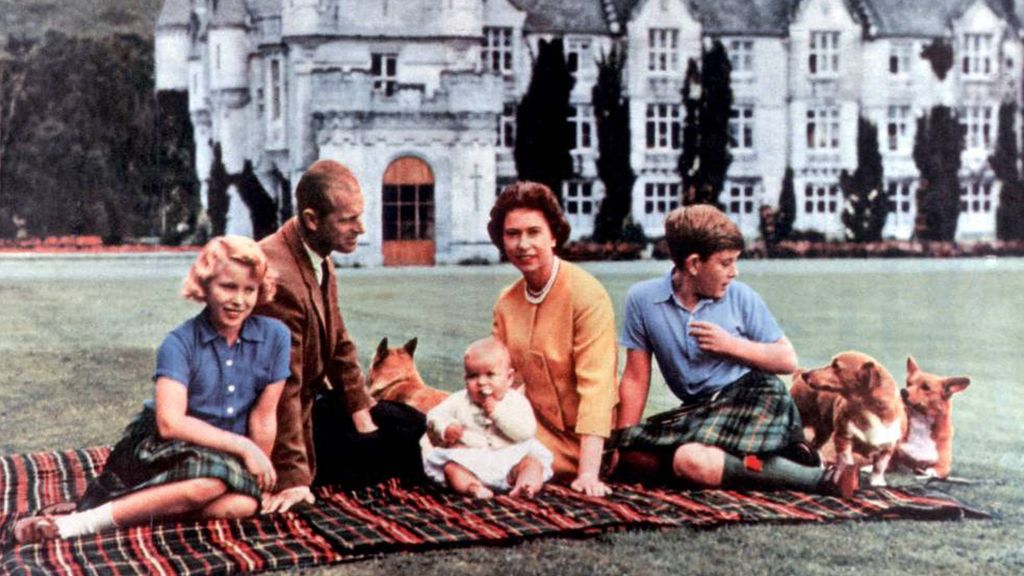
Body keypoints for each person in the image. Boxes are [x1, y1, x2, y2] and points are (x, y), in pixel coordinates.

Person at [14, 236, 290, 543]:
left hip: (223, 455)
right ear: (205, 285)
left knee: (241, 504)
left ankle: (140, 507)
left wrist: (260, 471)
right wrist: (244, 448)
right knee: (207, 485)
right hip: (164, 447)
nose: (239, 300)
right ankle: (80, 523)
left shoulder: (276, 337)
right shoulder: (179, 342)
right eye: (228, 286)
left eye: (249, 290)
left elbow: (264, 417)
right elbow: (170, 424)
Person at [610, 204, 858, 497]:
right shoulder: (643, 300)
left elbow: (787, 360)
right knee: (636, 459)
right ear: (693, 264)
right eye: (725, 263)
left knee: (691, 460)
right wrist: (623, 442)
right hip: (701, 409)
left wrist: (730, 345)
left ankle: (822, 479)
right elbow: (636, 377)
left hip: (756, 397)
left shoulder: (741, 297)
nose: (734, 272)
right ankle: (777, 459)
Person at [257, 159, 426, 513]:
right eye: (348, 220)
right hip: (276, 426)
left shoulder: (317, 253)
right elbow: (282, 386)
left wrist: (362, 412)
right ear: (311, 219)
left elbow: (340, 346)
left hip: (311, 402)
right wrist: (293, 479)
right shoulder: (278, 275)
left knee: (413, 423)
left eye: (359, 216)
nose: (361, 228)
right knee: (406, 445)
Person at [488, 181, 617, 497]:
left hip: (587, 440)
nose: (523, 244)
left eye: (534, 232)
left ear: (554, 235)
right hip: (531, 428)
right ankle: (522, 465)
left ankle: (527, 468)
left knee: (480, 459)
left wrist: (588, 473)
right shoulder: (507, 301)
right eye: (513, 234)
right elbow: (498, 381)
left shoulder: (587, 294)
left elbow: (598, 388)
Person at [422, 337, 554, 498]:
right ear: (465, 379)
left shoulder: (516, 401)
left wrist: (497, 414)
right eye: (473, 376)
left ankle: (524, 486)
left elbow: (526, 431)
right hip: (471, 460)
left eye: (490, 375)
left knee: (533, 464)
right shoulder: (459, 400)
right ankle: (474, 488)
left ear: (509, 378)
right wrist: (446, 427)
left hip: (510, 457)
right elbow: (435, 415)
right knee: (451, 468)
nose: (482, 382)